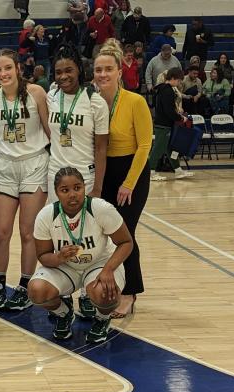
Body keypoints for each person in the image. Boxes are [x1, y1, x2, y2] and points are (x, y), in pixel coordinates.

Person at [29, 167, 134, 343]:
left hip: (99, 263)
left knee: (104, 292)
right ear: (56, 193)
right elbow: (43, 255)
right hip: (66, 267)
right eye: (65, 190)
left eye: (77, 188)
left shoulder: (100, 208)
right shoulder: (46, 215)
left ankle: (101, 318)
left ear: (84, 188)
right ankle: (64, 314)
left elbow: (126, 242)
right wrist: (59, 258)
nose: (72, 194)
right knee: (36, 291)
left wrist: (108, 270)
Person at [0, 48, 51, 311]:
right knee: (0, 232)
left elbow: (48, 128)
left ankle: (24, 286)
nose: (3, 74)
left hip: (35, 163)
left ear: (18, 68)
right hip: (4, 164)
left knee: (27, 232)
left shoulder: (36, 93)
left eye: (7, 68)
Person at [46, 45, 110, 316]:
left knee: (88, 236)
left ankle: (86, 291)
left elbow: (101, 148)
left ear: (79, 71)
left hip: (85, 175)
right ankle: (63, 289)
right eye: (59, 72)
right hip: (55, 175)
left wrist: (97, 187)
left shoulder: (95, 101)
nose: (63, 76)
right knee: (60, 235)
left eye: (68, 70)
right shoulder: (50, 95)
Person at [93, 40, 152, 318]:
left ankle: (130, 292)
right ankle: (108, 287)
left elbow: (144, 146)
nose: (102, 74)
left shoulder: (135, 101)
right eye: (98, 70)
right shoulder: (91, 102)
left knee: (124, 233)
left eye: (108, 69)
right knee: (104, 235)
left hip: (131, 171)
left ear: (119, 71)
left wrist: (128, 183)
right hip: (104, 171)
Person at [149, 67, 193, 181]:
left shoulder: (161, 89)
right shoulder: (167, 91)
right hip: (163, 124)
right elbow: (169, 110)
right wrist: (180, 118)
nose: (179, 83)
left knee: (170, 149)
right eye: (178, 80)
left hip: (164, 123)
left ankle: (178, 170)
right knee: (158, 149)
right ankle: (150, 171)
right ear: (172, 78)